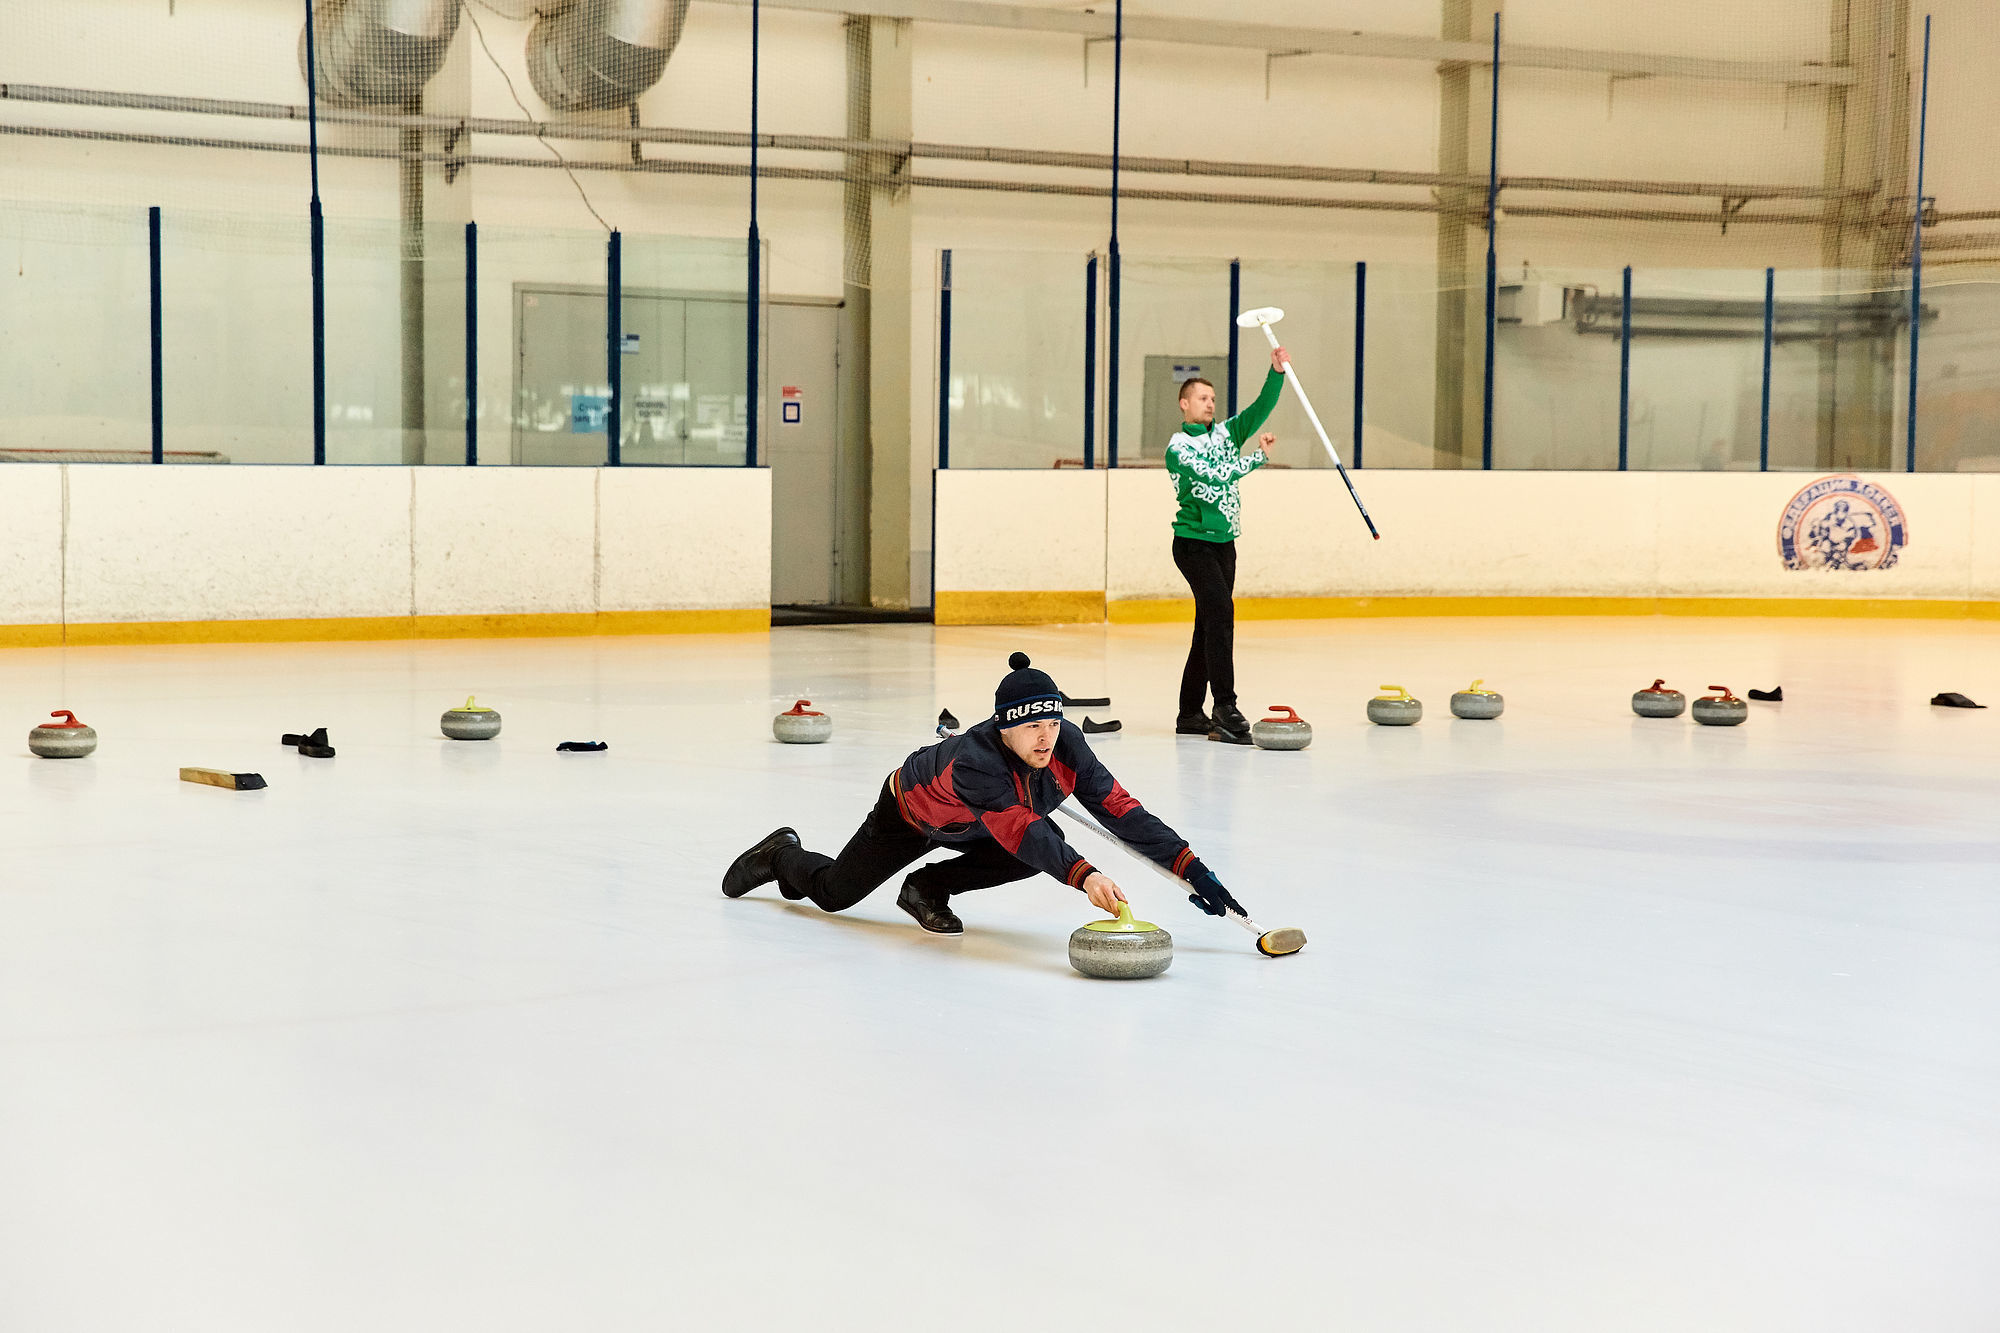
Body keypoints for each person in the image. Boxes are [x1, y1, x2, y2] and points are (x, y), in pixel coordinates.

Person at [721, 653, 1248, 935]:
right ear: (1004, 729)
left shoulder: (1066, 746)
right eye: (1032, 727)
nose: (1045, 737)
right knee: (836, 895)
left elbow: (1124, 812)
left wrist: (1191, 868)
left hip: (977, 828)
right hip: (910, 816)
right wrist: (1087, 876)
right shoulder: (976, 762)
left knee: (1040, 850)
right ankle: (782, 853)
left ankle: (927, 889)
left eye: (1052, 722)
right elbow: (1022, 830)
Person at [1165, 346, 1288, 744]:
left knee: (1209, 624)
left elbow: (1259, 408)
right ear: (1185, 403)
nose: (1210, 404)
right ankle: (1224, 704)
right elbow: (1215, 476)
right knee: (1220, 611)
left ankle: (1188, 713)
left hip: (1224, 544)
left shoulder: (1226, 433)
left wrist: (1275, 372)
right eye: (1202, 398)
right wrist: (1257, 460)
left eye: (1213, 399)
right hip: (1192, 545)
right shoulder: (1178, 449)